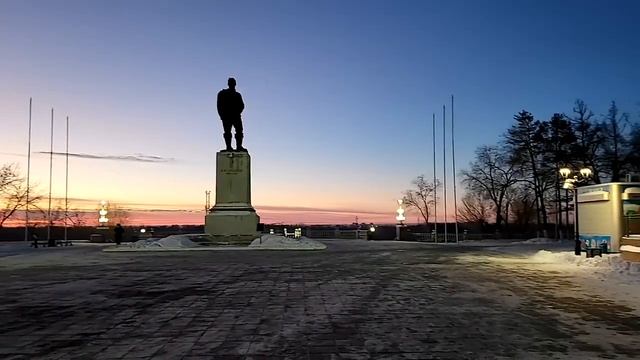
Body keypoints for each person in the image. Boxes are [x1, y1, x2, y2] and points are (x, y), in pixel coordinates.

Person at [217, 77, 246, 152]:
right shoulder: (222, 93)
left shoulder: (237, 95)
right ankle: (228, 147)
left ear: (235, 84)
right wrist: (222, 115)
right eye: (230, 82)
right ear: (228, 84)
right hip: (226, 116)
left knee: (239, 131)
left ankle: (239, 146)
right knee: (227, 132)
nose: (232, 84)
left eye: (233, 83)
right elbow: (219, 105)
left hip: (236, 116)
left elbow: (242, 105)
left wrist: (237, 112)